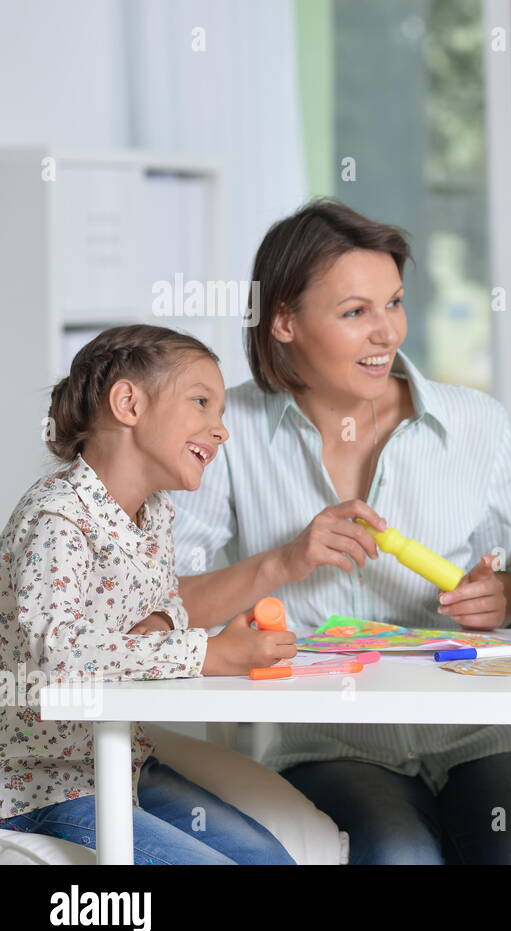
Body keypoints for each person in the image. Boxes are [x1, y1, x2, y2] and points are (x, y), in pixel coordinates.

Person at [173, 200, 511, 864]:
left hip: (485, 726)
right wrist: (286, 560)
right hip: (333, 739)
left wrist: (503, 595)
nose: (386, 332)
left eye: (393, 303)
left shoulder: (477, 423)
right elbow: (163, 603)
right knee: (396, 854)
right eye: (354, 312)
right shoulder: (229, 428)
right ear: (284, 320)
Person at [0, 325, 296, 864]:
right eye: (202, 402)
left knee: (269, 860)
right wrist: (204, 653)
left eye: (222, 412)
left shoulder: (155, 512)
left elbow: (169, 605)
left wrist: (162, 624)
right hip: (42, 784)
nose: (221, 430)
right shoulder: (57, 517)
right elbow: (56, 653)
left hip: (123, 760)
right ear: (129, 404)